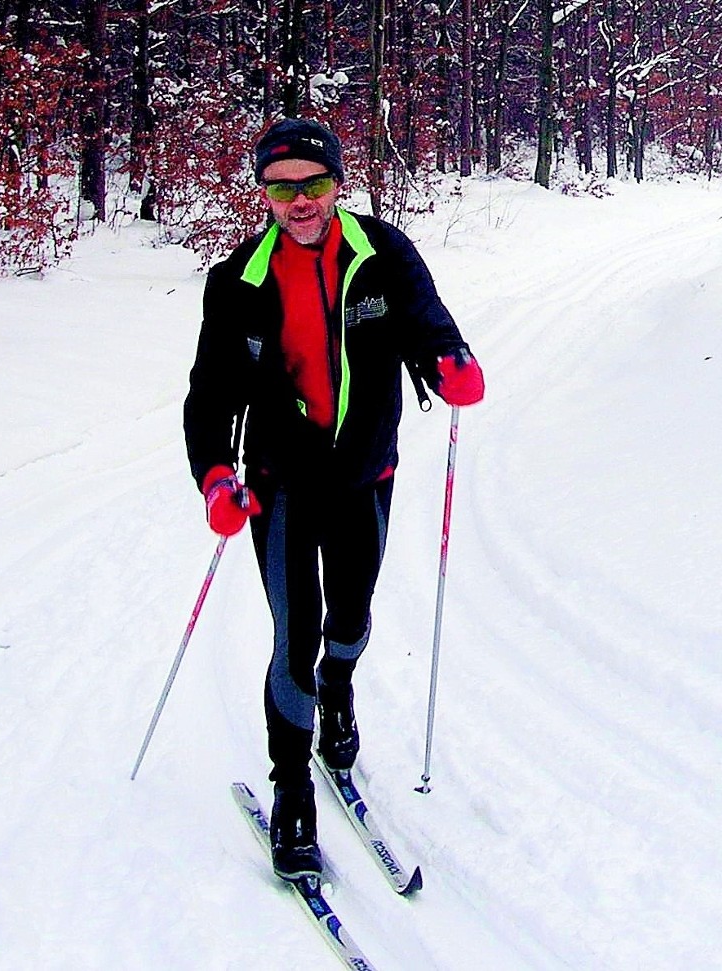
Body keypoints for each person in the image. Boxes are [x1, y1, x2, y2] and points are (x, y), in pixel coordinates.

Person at [183, 117, 484, 880]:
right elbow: (209, 394)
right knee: (298, 634)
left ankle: (339, 693)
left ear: (337, 184)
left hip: (365, 475)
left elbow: (427, 322)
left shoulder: (382, 253)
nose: (300, 201)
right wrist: (217, 473)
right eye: (282, 188)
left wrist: (452, 360)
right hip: (281, 483)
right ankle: (291, 789)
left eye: (313, 184)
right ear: (264, 195)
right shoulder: (237, 280)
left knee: (350, 618)